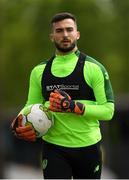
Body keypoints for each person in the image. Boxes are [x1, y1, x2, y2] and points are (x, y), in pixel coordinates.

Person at [11, 12, 115, 179]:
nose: (65, 35)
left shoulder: (94, 68)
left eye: (69, 29)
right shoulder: (39, 71)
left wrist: (74, 107)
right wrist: (18, 124)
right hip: (54, 148)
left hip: (88, 147)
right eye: (59, 31)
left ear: (77, 34)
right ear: (52, 36)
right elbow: (30, 106)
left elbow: (108, 111)